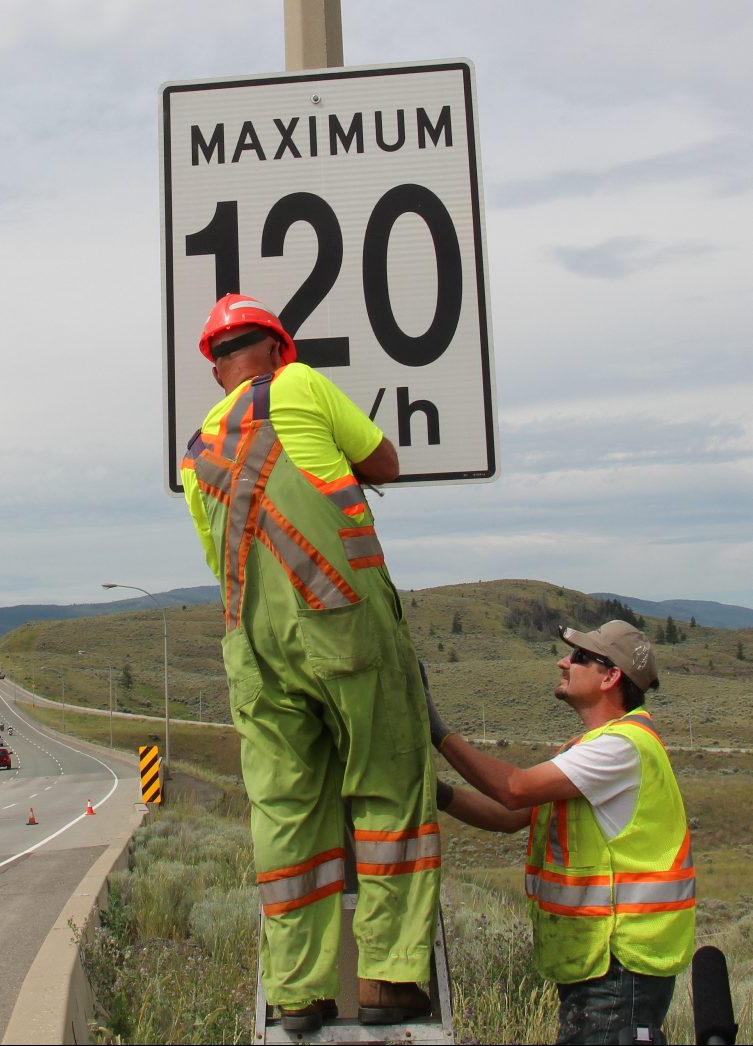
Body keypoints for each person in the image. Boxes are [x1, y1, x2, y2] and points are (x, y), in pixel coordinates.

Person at [179, 294, 438, 1031]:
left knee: (286, 816)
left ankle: (297, 994)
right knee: (388, 785)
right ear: (275, 348)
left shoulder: (195, 453)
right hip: (342, 626)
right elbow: (383, 458)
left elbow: (217, 562)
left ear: (217, 369)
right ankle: (388, 977)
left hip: (253, 653)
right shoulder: (300, 383)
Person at [429, 621, 695, 1045]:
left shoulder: (621, 747)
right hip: (597, 962)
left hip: (620, 965)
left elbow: (513, 790)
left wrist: (437, 732)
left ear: (611, 677)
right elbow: (509, 815)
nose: (563, 661)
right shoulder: (591, 747)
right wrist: (433, 792)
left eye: (580, 657)